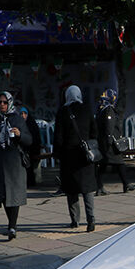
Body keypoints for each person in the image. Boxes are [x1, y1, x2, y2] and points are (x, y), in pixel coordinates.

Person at [0, 91, 32, 240]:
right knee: (3, 195)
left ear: (10, 103)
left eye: (5, 102)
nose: (2, 105)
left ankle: (12, 226)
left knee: (13, 195)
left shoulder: (18, 120)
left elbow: (29, 140)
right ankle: (11, 224)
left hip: (14, 163)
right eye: (0, 102)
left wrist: (19, 135)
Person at [54, 85, 98, 231]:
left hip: (69, 156)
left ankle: (75, 220)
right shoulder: (87, 109)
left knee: (71, 190)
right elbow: (94, 131)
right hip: (85, 155)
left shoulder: (63, 111)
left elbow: (58, 136)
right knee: (88, 189)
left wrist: (58, 154)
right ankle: (91, 220)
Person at [94, 88, 135, 195]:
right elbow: (109, 126)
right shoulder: (108, 110)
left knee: (104, 164)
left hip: (105, 141)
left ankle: (100, 187)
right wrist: (109, 140)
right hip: (110, 142)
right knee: (118, 163)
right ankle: (125, 184)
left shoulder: (101, 109)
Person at [18, 104, 42, 187]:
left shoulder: (32, 124)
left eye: (25, 113)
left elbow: (36, 139)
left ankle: (30, 182)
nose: (23, 116)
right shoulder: (18, 124)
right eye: (21, 114)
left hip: (32, 149)